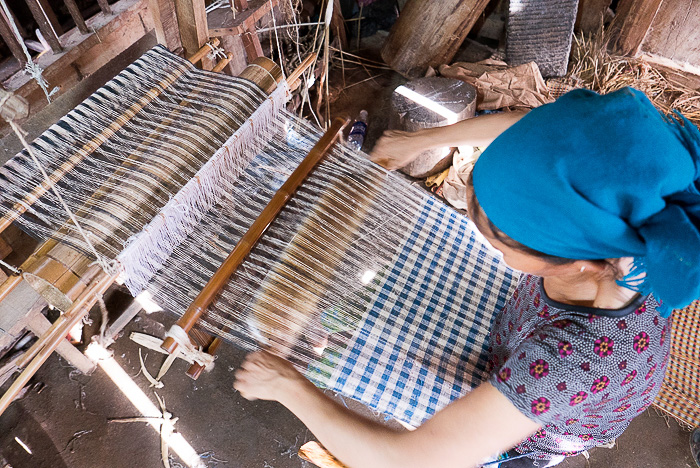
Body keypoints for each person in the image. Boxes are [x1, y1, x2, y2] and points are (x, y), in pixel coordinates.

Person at [234, 87, 700, 468]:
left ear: (578, 260)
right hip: (522, 332)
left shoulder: (579, 359)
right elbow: (527, 128)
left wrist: (286, 387)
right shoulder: (620, 207)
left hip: (545, 423)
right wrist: (420, 140)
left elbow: (407, 461)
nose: (487, 246)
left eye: (499, 243)